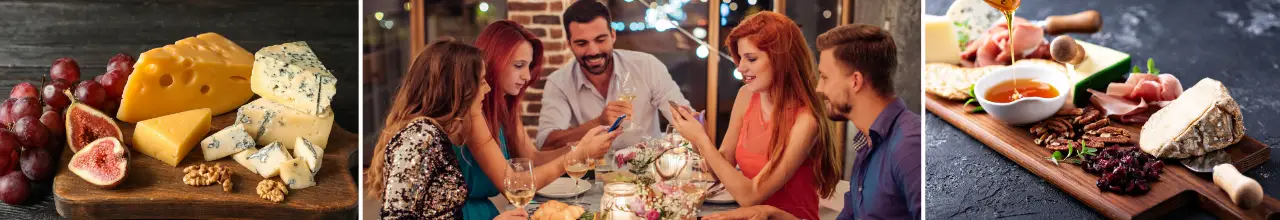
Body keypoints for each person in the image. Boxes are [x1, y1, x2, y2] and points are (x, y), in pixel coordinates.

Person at [704, 24, 921, 220]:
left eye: (825, 78)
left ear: (855, 81)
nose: (819, 88)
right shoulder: (867, 144)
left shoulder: (908, 145)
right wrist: (773, 214)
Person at [667, 11, 842, 220]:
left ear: (780, 59)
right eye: (740, 57)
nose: (741, 67)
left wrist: (702, 141)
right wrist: (696, 139)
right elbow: (721, 170)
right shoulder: (746, 96)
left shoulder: (806, 121)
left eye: (751, 58)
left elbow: (750, 196)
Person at [456, 20, 621, 220]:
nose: (527, 76)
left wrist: (581, 147)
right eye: (519, 66)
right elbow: (513, 185)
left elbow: (532, 158)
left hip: (489, 212)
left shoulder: (504, 105)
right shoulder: (473, 110)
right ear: (493, 62)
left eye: (529, 66)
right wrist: (579, 154)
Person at [537, 0, 691, 150]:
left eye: (600, 40)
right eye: (582, 43)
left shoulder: (647, 66)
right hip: (591, 173)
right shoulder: (558, 83)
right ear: (569, 44)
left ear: (613, 35)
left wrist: (691, 122)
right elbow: (545, 143)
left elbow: (684, 119)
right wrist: (598, 123)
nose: (593, 51)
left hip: (647, 170)